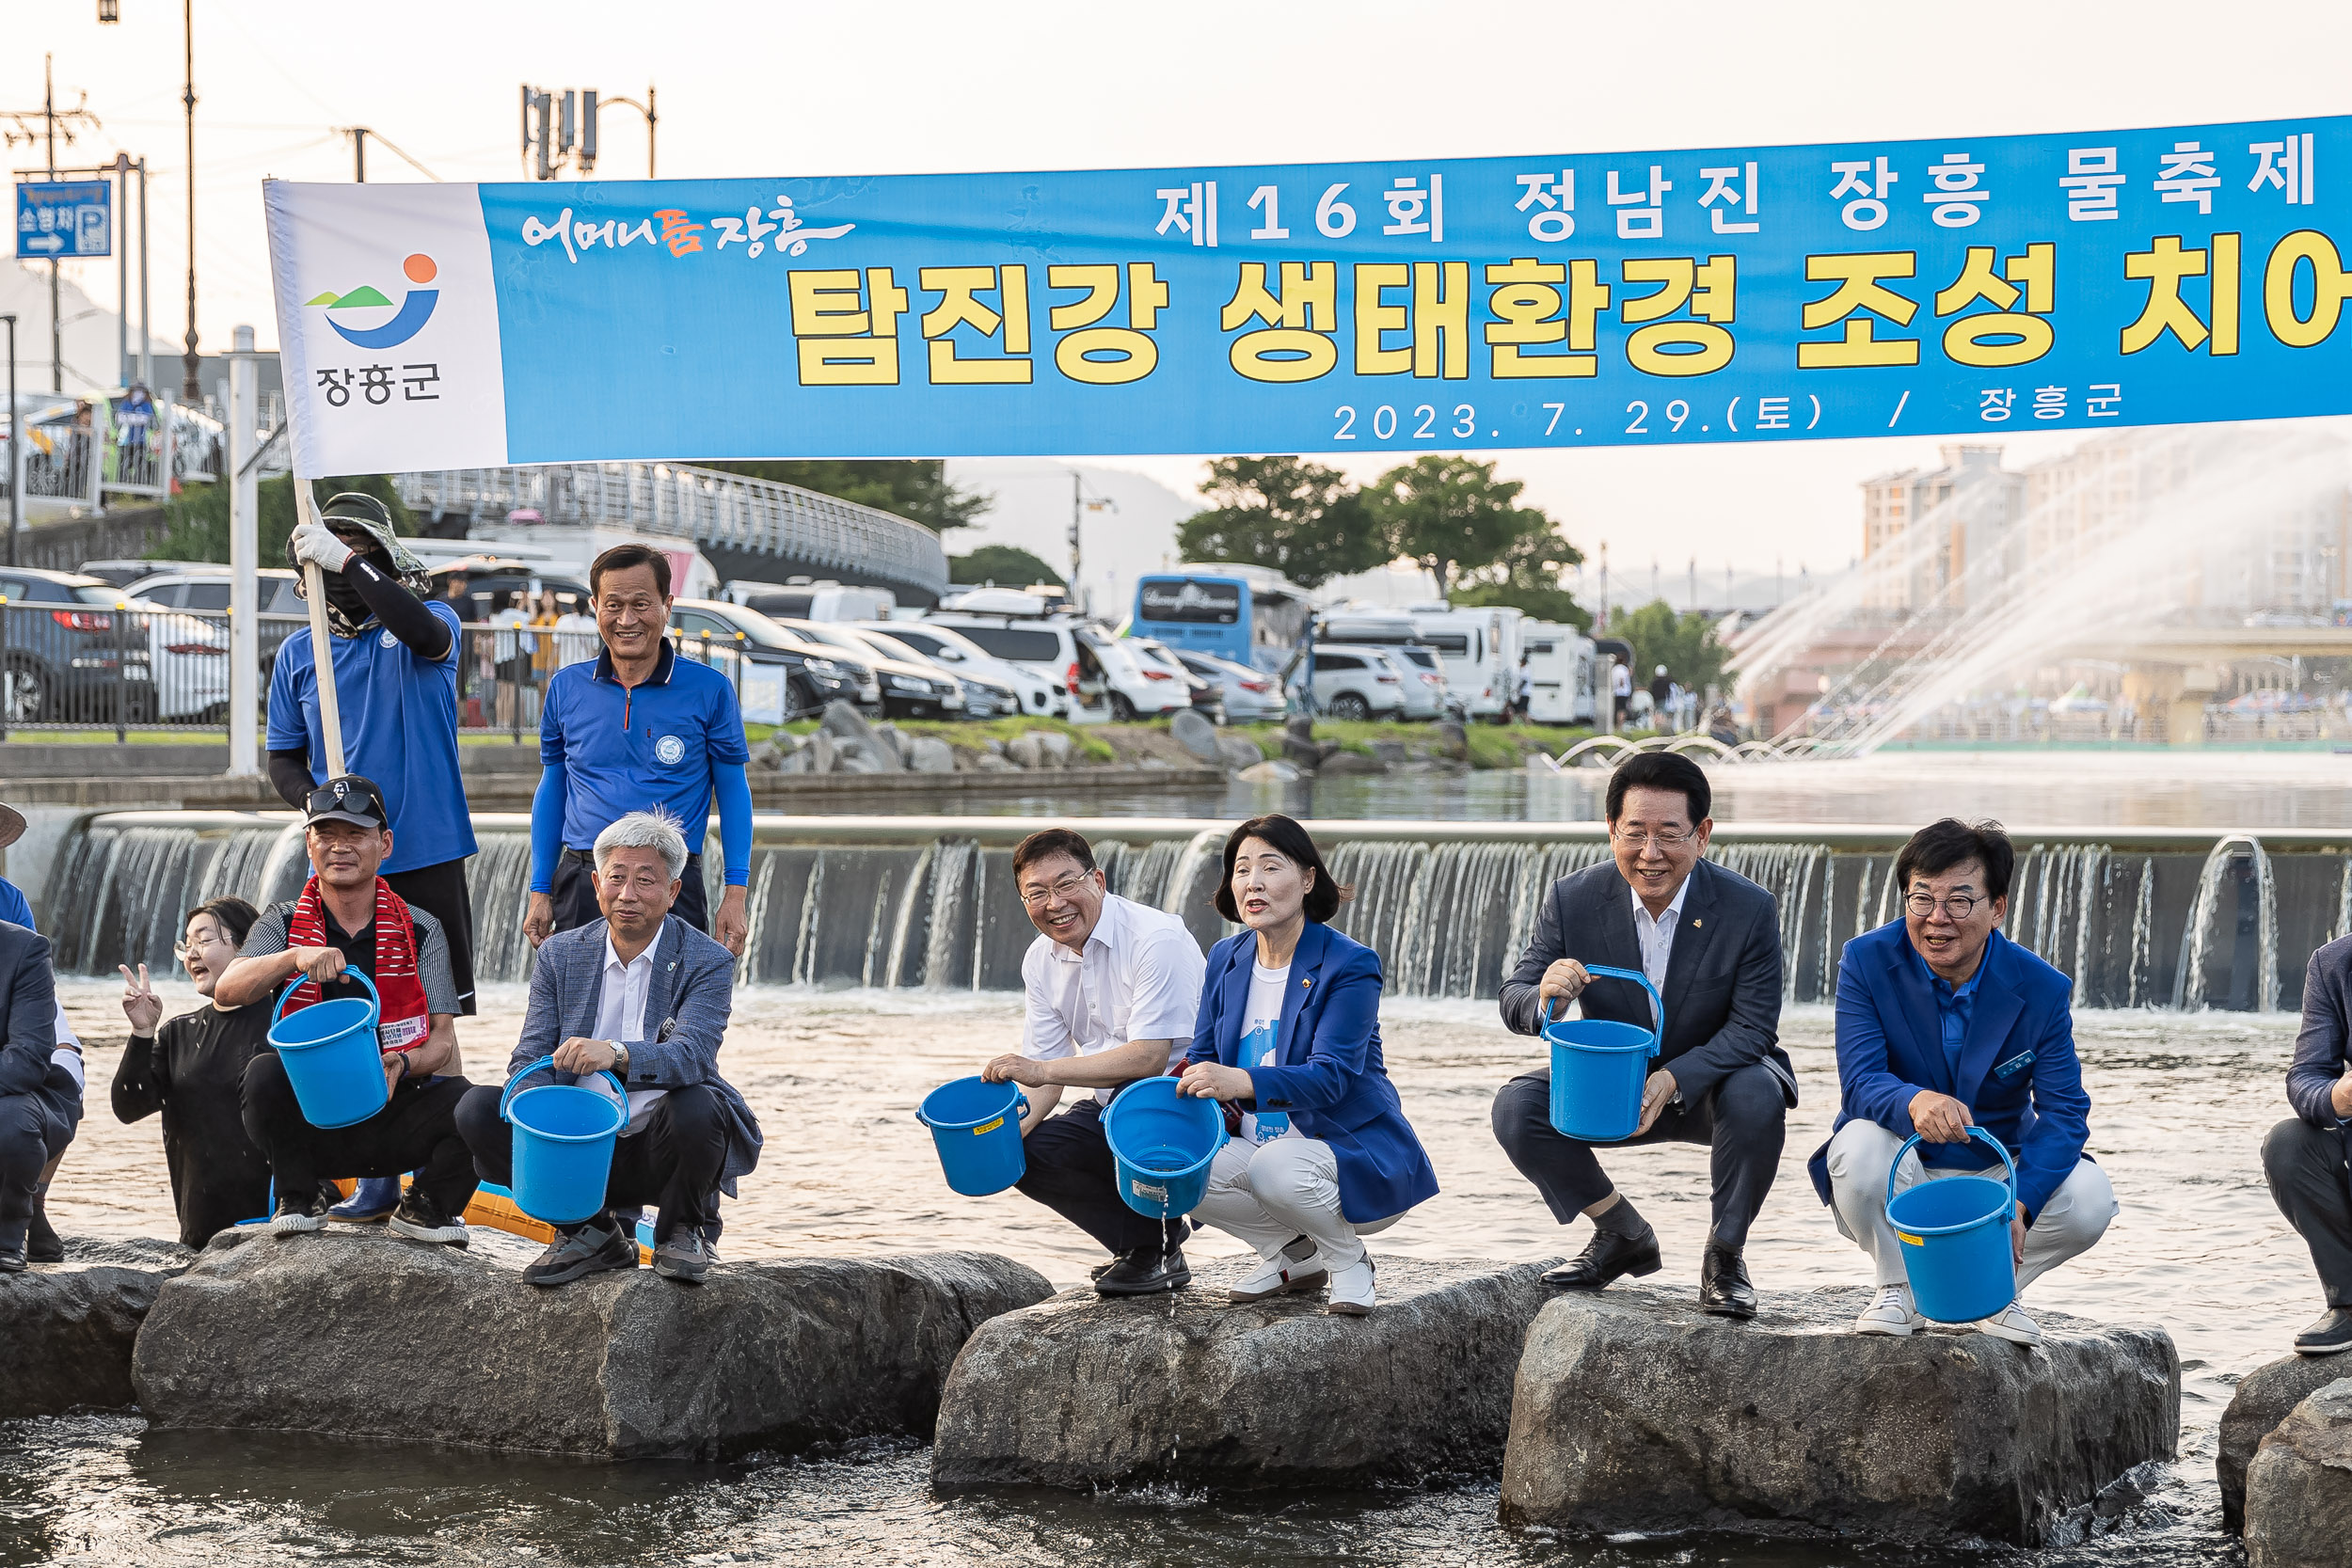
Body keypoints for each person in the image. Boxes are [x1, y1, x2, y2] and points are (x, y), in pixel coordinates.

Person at [1491, 752, 1792, 1319]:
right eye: (1635, 833)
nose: (1649, 854)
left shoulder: (1748, 908)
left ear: (1702, 835)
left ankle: (1725, 1258)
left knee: (1759, 1093)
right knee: (1517, 1105)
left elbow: (1754, 1028)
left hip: (1712, 1083)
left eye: (1669, 835)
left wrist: (1675, 1078)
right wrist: (1546, 998)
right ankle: (1621, 1233)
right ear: (1611, 831)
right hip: (1614, 1085)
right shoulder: (1574, 898)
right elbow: (1515, 997)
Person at [1809, 819, 2114, 1345]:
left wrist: (2020, 1202)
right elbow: (1859, 1081)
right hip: (1899, 1162)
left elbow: (2065, 1113)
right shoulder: (1866, 960)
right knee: (1855, 1147)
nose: (1936, 919)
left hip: (1994, 1174)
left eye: (1958, 901)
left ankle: (1994, 1290)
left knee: (2089, 1198)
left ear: (1997, 908)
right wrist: (1914, 1100)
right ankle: (1899, 1287)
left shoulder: (2041, 988)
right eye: (1921, 898)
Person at [456, 810, 760, 1286]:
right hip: (577, 1146)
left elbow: (692, 1056)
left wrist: (616, 1054)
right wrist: (536, 1109)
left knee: (701, 1105)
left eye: (646, 880)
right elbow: (530, 1052)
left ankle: (681, 1229)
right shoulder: (561, 953)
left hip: (658, 1145)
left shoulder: (708, 960)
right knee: (478, 1108)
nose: (628, 894)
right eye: (617, 878)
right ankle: (589, 1233)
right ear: (596, 884)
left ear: (674, 891)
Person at [1180, 815, 1438, 1315]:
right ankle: (1292, 1255)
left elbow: (1332, 1075)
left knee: (1275, 1168)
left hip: (1346, 1158)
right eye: (1240, 869)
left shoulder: (1349, 963)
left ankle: (1348, 1261)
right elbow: (1203, 1055)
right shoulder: (1225, 958)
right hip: (1260, 1152)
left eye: (1270, 867)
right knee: (1176, 1164)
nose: (1252, 882)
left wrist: (1240, 1080)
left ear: (1307, 879)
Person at [215, 776, 476, 1243]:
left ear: (385, 844)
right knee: (262, 1074)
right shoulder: (283, 920)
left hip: (397, 1107)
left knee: (482, 1106)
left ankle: (428, 1205)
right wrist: (292, 958)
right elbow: (227, 991)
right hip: (311, 1119)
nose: (341, 847)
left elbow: (441, 1040)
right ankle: (300, 1194)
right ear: (309, 844)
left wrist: (402, 1062)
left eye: (356, 834)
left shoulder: (422, 928)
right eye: (327, 835)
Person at [270, 493, 479, 1020]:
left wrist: (346, 560)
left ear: (382, 561)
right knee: (344, 1002)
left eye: (360, 551)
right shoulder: (300, 652)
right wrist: (316, 803)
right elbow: (282, 758)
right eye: (332, 553)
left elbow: (422, 634)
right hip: (343, 853)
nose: (344, 564)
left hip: (427, 846)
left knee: (439, 1012)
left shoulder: (432, 621)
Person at [978, 827, 1206, 1296]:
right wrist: (1006, 1133)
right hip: (1115, 1104)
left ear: (1097, 880)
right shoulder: (1040, 960)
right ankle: (1149, 1248)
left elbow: (1148, 1058)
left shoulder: (1156, 938)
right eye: (1036, 893)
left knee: (1131, 1096)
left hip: (1189, 1103)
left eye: (1066, 885)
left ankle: (1156, 1246)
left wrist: (1040, 1071)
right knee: (1029, 1153)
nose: (1055, 903)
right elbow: (1044, 1073)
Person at [525, 544, 753, 954]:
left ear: (667, 605)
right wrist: (540, 888)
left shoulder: (710, 689)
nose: (626, 620)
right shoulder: (565, 687)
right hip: (583, 881)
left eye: (641, 604)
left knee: (670, 1017)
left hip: (669, 882)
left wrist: (735, 893)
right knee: (580, 1014)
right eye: (613, 605)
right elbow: (553, 788)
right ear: (595, 606)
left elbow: (734, 791)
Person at [114, 897, 276, 1247]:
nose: (191, 955)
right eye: (186, 946)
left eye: (203, 941)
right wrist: (142, 1033)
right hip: (199, 1232)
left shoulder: (284, 1024)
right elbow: (128, 1107)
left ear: (247, 946)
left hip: (279, 1225)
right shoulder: (179, 1034)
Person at [0, 801, 84, 1263]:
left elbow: (28, 976)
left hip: (20, 1008)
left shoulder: (11, 905)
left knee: (58, 1061)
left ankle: (33, 1198)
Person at [2264, 923, 2352, 1354]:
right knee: (2288, 1144)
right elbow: (2306, 1074)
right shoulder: (2334, 962)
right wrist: (2336, 1097)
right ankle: (2349, 1303)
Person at [1611, 658, 1632, 724]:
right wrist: (1621, 685)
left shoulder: (1613, 669)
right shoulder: (1623, 669)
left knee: (1617, 709)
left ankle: (1617, 723)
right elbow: (1622, 679)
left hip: (1615, 692)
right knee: (1622, 709)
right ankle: (1621, 723)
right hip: (1623, 692)